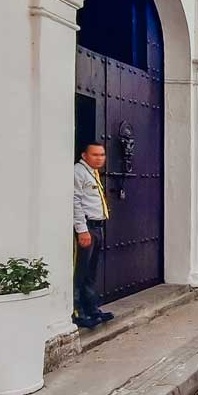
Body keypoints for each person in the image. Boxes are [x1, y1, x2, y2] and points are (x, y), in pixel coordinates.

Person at [73, 141, 113, 329]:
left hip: (97, 227)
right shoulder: (78, 172)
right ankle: (78, 312)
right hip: (87, 228)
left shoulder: (93, 173)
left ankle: (92, 309)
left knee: (91, 272)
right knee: (80, 271)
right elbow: (75, 201)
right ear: (84, 155)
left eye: (102, 154)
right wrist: (82, 229)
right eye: (95, 154)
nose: (100, 158)